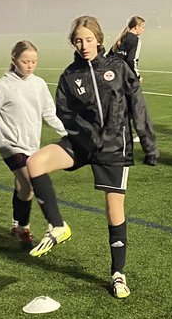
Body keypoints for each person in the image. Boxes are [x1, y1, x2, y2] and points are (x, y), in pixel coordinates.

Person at [25, 16, 158, 299]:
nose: (84, 45)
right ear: (72, 43)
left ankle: (118, 274)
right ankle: (58, 226)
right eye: (77, 40)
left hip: (113, 148)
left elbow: (138, 105)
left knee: (114, 211)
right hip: (83, 143)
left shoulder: (118, 68)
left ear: (98, 39)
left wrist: (148, 143)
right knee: (35, 163)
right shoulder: (70, 75)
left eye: (88, 39)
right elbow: (65, 114)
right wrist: (83, 133)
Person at [0, 40, 66, 248]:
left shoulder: (39, 84)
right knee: (29, 186)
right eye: (25, 61)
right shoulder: (3, 86)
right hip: (10, 145)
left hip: (31, 145)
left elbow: (49, 114)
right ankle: (22, 229)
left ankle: (17, 223)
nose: (30, 65)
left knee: (22, 188)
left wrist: (67, 133)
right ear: (14, 60)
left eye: (34, 61)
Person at [111, 15, 146, 80]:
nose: (143, 30)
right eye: (142, 27)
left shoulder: (121, 37)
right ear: (136, 27)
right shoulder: (136, 40)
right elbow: (132, 60)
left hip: (113, 73)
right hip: (124, 76)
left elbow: (110, 55)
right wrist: (137, 76)